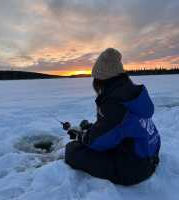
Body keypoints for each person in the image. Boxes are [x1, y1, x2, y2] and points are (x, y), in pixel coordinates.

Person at [65, 48, 160, 186]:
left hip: (135, 169)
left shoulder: (114, 102)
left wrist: (81, 137)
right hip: (150, 156)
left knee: (72, 150)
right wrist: (92, 128)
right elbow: (120, 127)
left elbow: (96, 144)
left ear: (101, 80)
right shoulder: (131, 94)